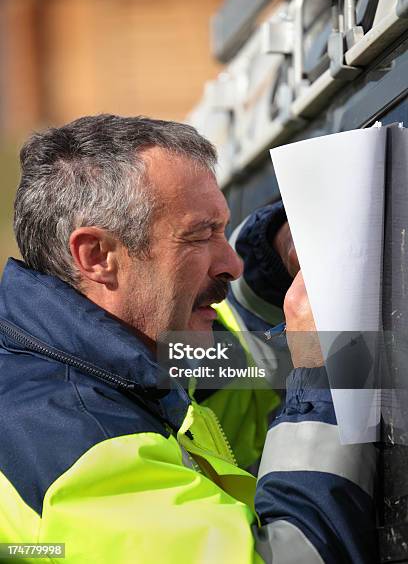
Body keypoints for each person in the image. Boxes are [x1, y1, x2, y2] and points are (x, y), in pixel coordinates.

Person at [0, 114, 376, 563]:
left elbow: (245, 376)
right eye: (200, 234)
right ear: (98, 256)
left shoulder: (116, 364)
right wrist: (322, 369)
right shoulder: (80, 444)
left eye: (222, 229)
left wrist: (274, 262)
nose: (231, 265)